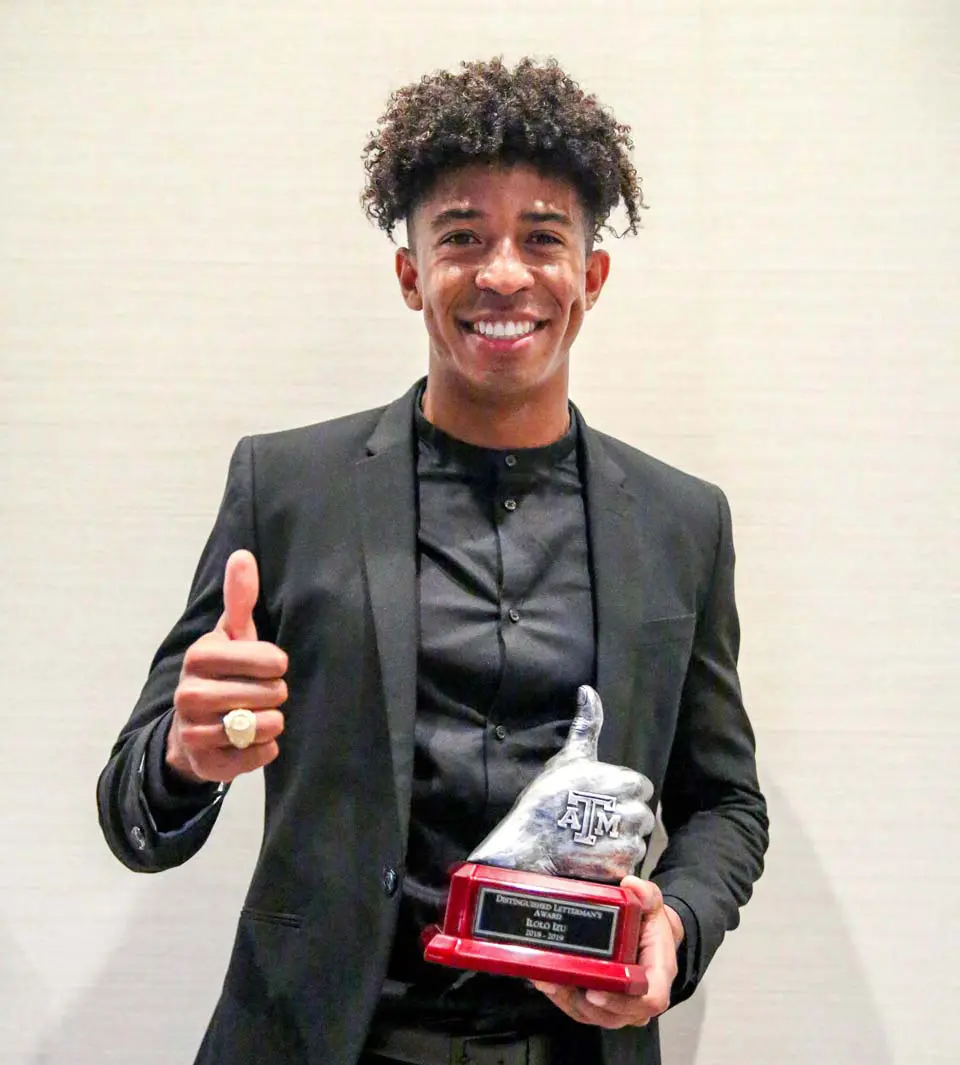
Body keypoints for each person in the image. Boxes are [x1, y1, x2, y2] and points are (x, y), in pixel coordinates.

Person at [97, 56, 768, 1065]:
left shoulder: (683, 522)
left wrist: (676, 923)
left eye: (542, 238)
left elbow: (724, 801)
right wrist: (187, 758)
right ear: (412, 274)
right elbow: (133, 813)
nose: (503, 272)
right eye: (462, 238)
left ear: (590, 276)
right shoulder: (287, 489)